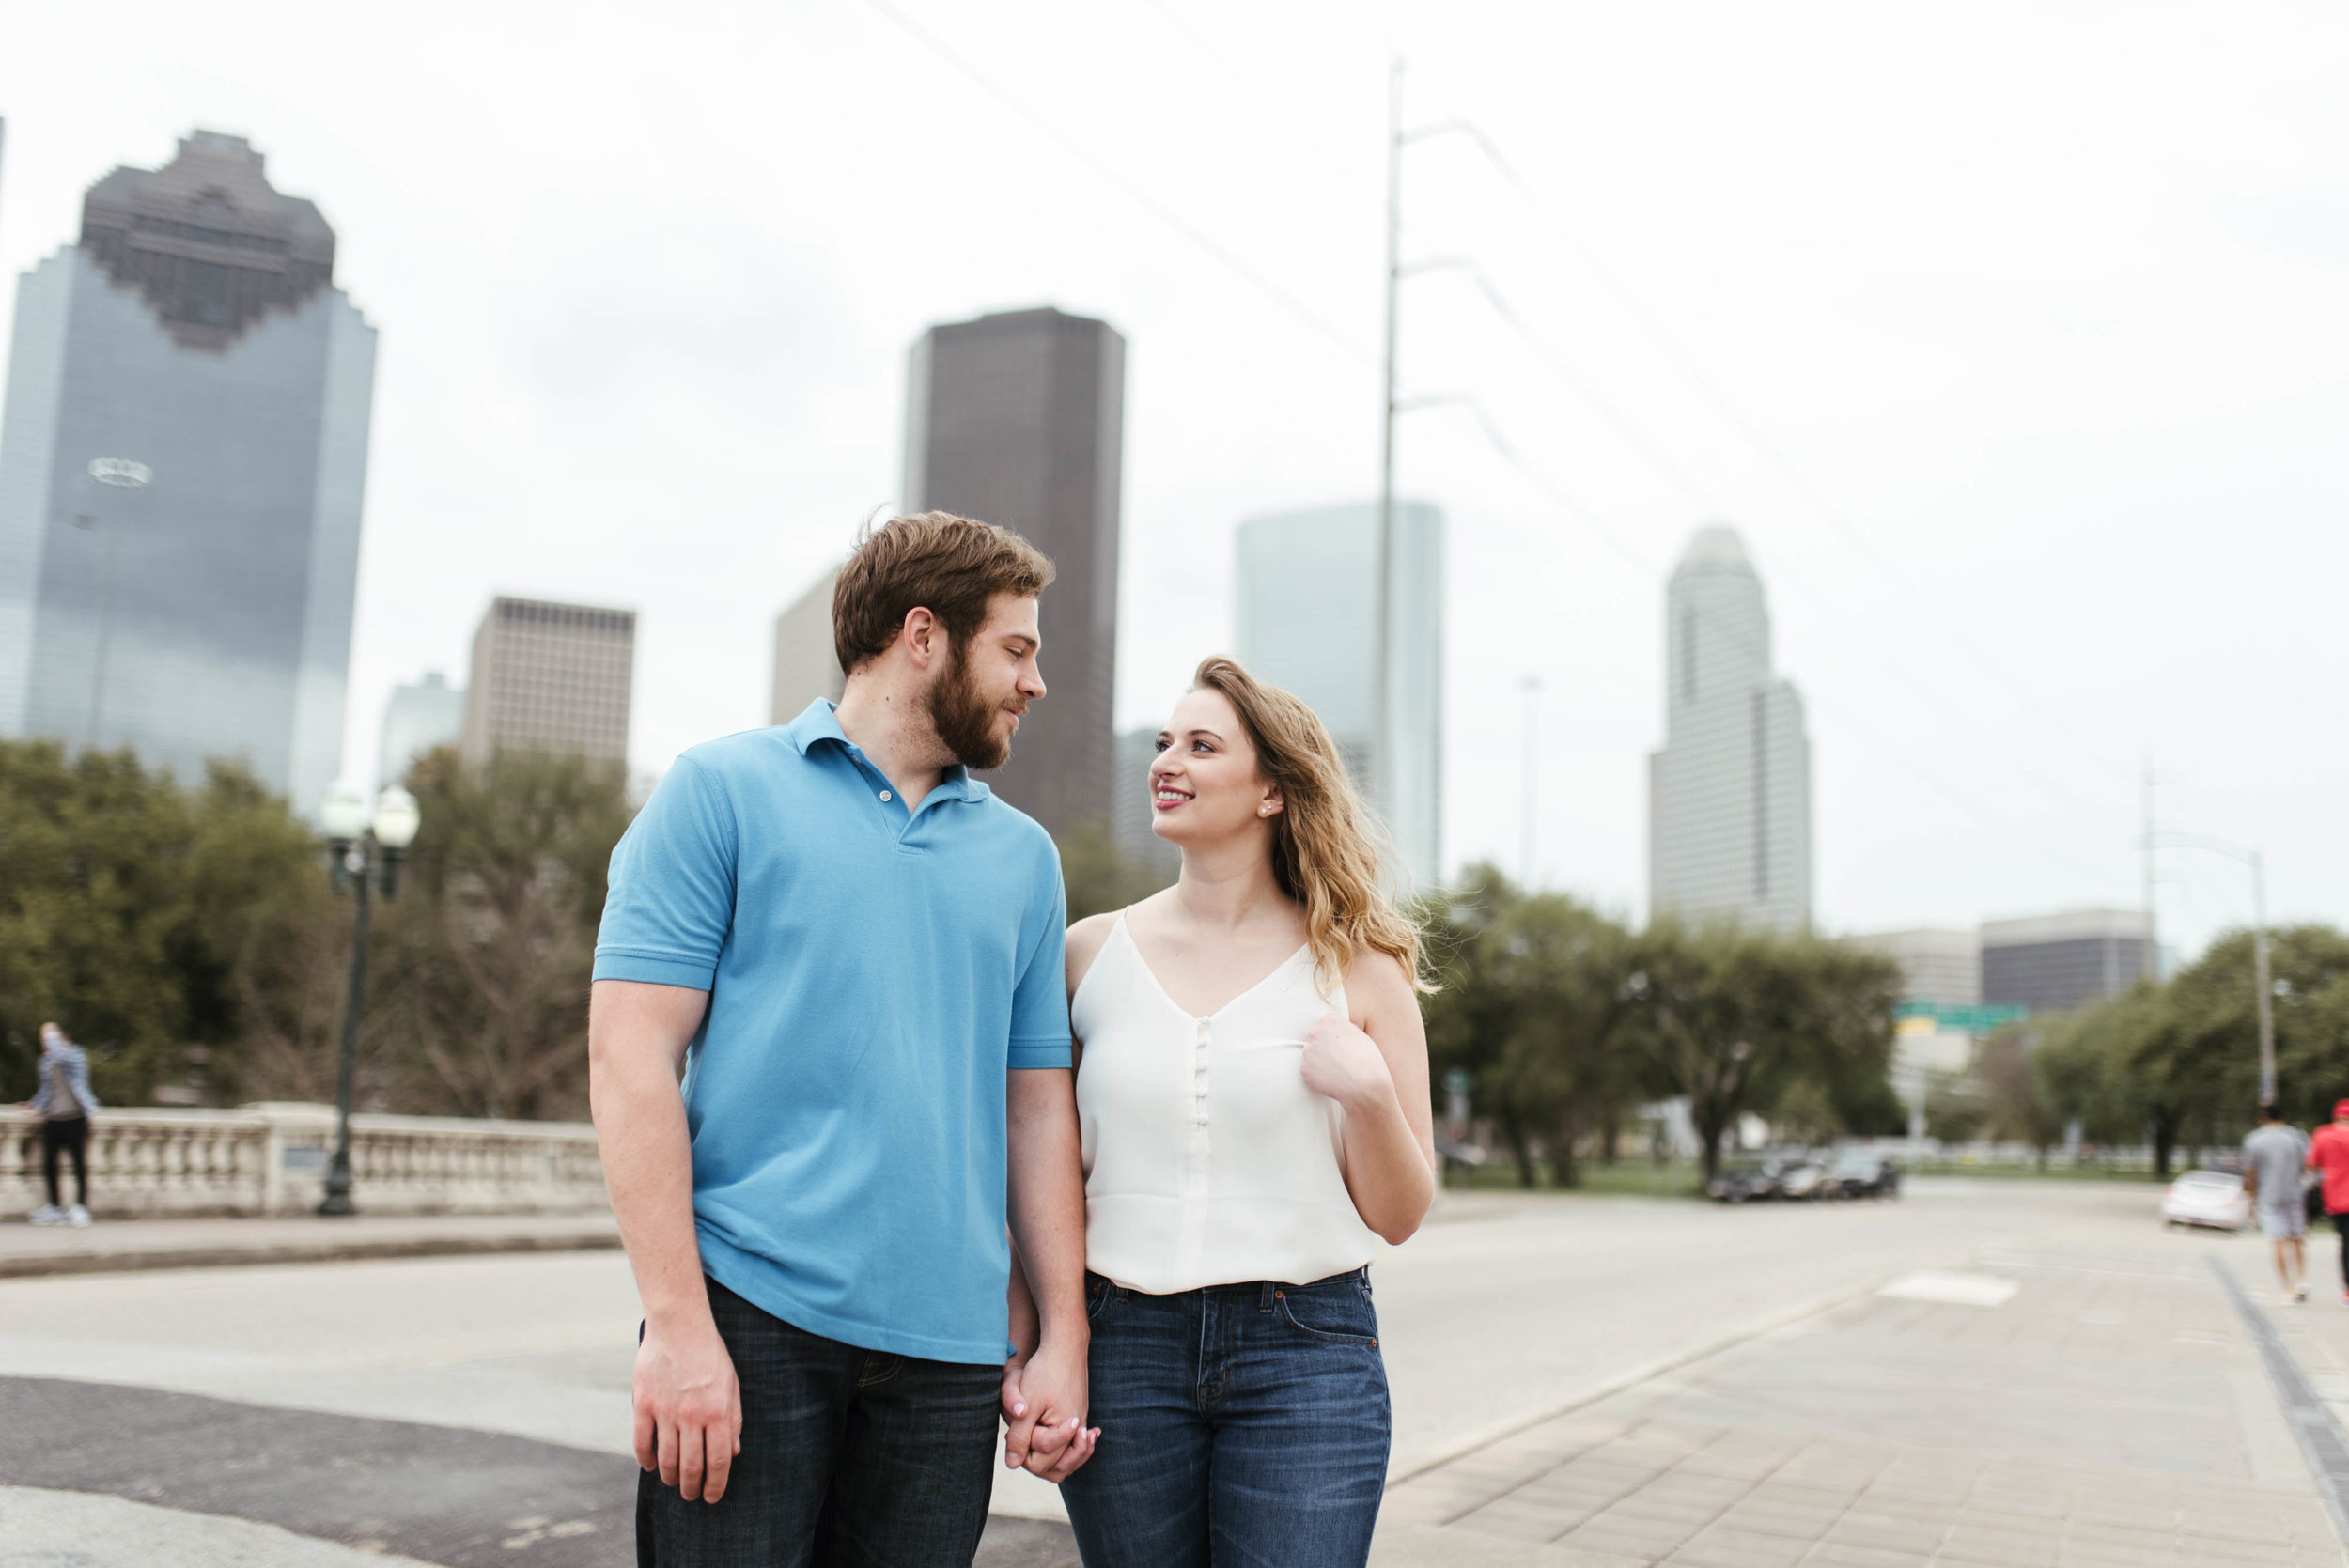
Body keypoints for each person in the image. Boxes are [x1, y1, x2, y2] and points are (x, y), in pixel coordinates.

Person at [590, 512, 1096, 1566]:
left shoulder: (1024, 859)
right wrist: (678, 1325)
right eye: (1016, 647)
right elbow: (629, 1057)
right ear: (925, 635)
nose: (1034, 682)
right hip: (751, 1323)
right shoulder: (719, 792)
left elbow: (1036, 1105)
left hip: (949, 1357)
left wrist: (1063, 1335)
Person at [1044, 656, 1436, 1567]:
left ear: (1270, 791)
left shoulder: (1362, 970)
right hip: (1122, 1351)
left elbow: (1402, 1213)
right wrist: (1039, 1346)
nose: (1166, 761)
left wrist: (1370, 1096)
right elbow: (1046, 1175)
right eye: (1163, 742)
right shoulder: (1085, 955)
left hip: (1305, 1355)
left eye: (1201, 745)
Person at [23, 1022, 99, 1227]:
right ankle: (54, 1207)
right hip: (53, 1120)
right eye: (44, 1038)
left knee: (79, 1166)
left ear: (61, 1036)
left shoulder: (76, 1055)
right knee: (49, 1166)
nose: (46, 1042)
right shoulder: (45, 1062)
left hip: (75, 1119)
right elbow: (46, 1091)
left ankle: (81, 1207)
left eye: (49, 1037)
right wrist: (34, 1104)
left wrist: (54, 1040)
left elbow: (63, 1059)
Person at [2242, 1102, 2310, 1303]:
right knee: (2297, 1237)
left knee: (2277, 1240)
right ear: (2283, 1116)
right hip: (2294, 1193)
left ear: (2262, 1117)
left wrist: (2251, 1198)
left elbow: (2250, 1172)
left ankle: (2287, 1287)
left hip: (2268, 1196)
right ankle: (2301, 1280)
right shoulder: (2297, 1137)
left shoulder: (2254, 1139)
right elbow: (2305, 1166)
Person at [2310, 1101, 2349, 1305]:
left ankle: (2348, 1289)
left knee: (2345, 1242)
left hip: (2335, 1198)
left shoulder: (2323, 1134)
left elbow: (2313, 1163)